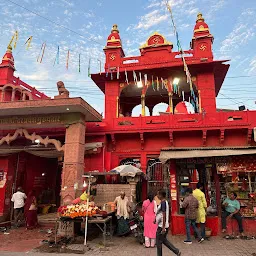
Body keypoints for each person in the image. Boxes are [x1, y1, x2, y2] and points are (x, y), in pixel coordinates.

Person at [156, 189, 181, 256]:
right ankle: (176, 251)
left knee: (158, 242)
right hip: (164, 225)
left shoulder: (163, 203)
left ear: (161, 195)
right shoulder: (165, 202)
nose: (157, 196)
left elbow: (164, 215)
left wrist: (163, 227)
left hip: (162, 226)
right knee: (163, 240)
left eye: (158, 194)